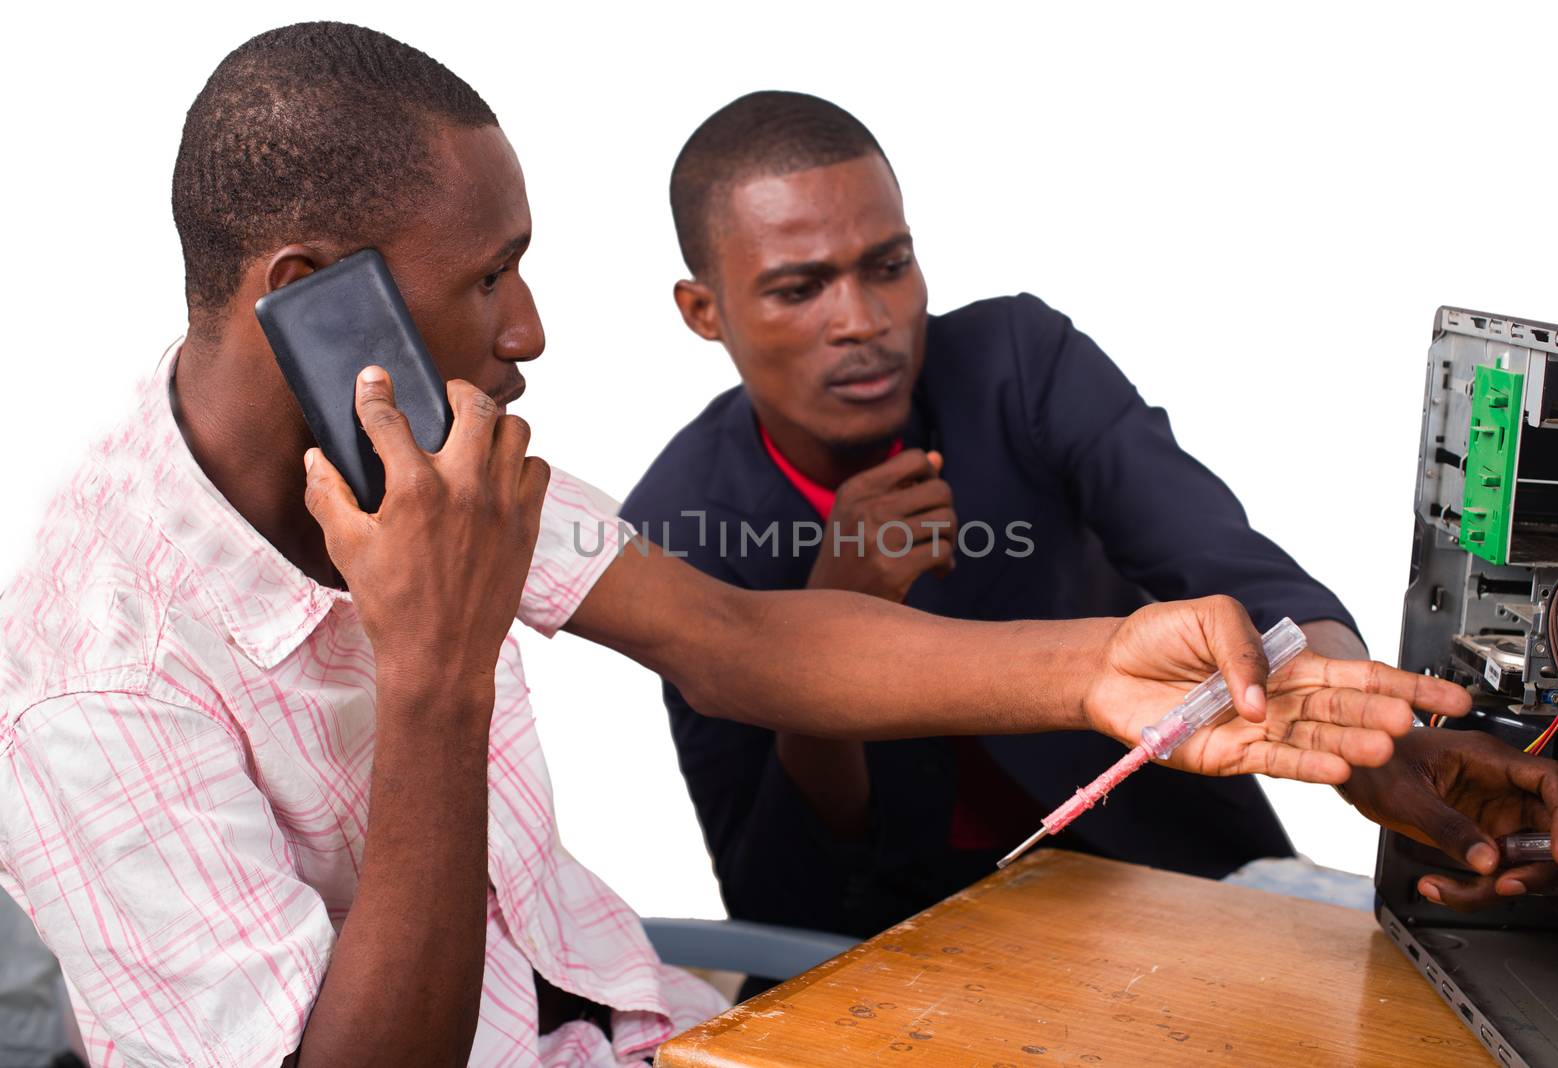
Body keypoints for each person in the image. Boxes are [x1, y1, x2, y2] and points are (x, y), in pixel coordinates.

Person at [0, 22, 1481, 1068]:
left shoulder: (422, 451)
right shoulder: (93, 677)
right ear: (314, 296)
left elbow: (737, 635)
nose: (528, 333)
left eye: (886, 265)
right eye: (492, 278)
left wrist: (1102, 667)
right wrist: (433, 673)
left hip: (676, 1026)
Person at [620, 90, 1558, 939]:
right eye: (800, 287)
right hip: (893, 960)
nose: (862, 318)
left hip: (1175, 891)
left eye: (889, 265)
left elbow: (1224, 563)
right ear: (703, 311)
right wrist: (824, 625)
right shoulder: (678, 528)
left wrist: (1365, 730)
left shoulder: (1016, 363)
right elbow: (773, 894)